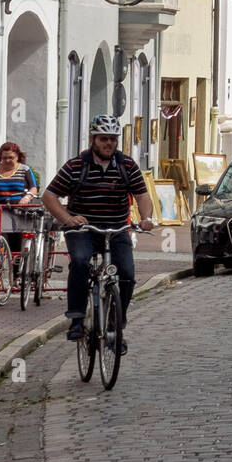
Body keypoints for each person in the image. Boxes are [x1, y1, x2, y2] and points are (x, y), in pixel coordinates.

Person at [41, 116, 155, 351]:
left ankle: (116, 323)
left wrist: (146, 218)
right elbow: (49, 197)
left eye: (113, 139)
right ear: (93, 139)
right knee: (81, 262)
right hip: (84, 229)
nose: (109, 144)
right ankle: (77, 320)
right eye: (104, 139)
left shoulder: (127, 166)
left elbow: (142, 196)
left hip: (116, 228)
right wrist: (68, 219)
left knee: (127, 273)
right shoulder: (75, 166)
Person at [0, 142, 40, 254]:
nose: (7, 160)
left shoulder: (25, 170)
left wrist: (27, 198)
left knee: (16, 248)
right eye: (4, 158)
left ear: (18, 156)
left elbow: (34, 188)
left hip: (18, 213)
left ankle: (16, 270)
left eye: (11, 157)